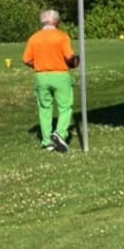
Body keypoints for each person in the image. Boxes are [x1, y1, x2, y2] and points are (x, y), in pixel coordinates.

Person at [22, 9, 79, 153]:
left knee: (44, 108)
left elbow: (26, 59)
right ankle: (60, 133)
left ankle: (47, 141)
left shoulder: (34, 38)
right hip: (60, 74)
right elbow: (69, 57)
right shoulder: (61, 36)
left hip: (41, 76)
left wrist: (40, 64)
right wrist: (76, 61)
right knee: (66, 106)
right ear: (56, 21)